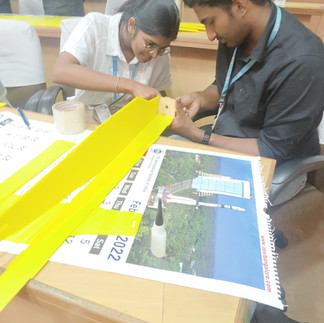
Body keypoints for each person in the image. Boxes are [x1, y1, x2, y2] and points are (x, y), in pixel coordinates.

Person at [169, 0, 324, 166]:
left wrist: (198, 135)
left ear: (240, 6)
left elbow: (271, 150)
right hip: (224, 139)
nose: (210, 35)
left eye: (211, 21)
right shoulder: (235, 34)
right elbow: (228, 87)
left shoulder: (302, 61)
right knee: (164, 152)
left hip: (271, 164)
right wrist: (200, 99)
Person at [52, 0, 179, 123]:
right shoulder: (95, 26)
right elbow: (60, 71)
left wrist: (171, 109)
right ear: (131, 25)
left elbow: (157, 93)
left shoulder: (160, 51)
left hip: (128, 123)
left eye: (162, 49)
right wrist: (131, 86)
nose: (155, 54)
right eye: (150, 44)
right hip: (86, 122)